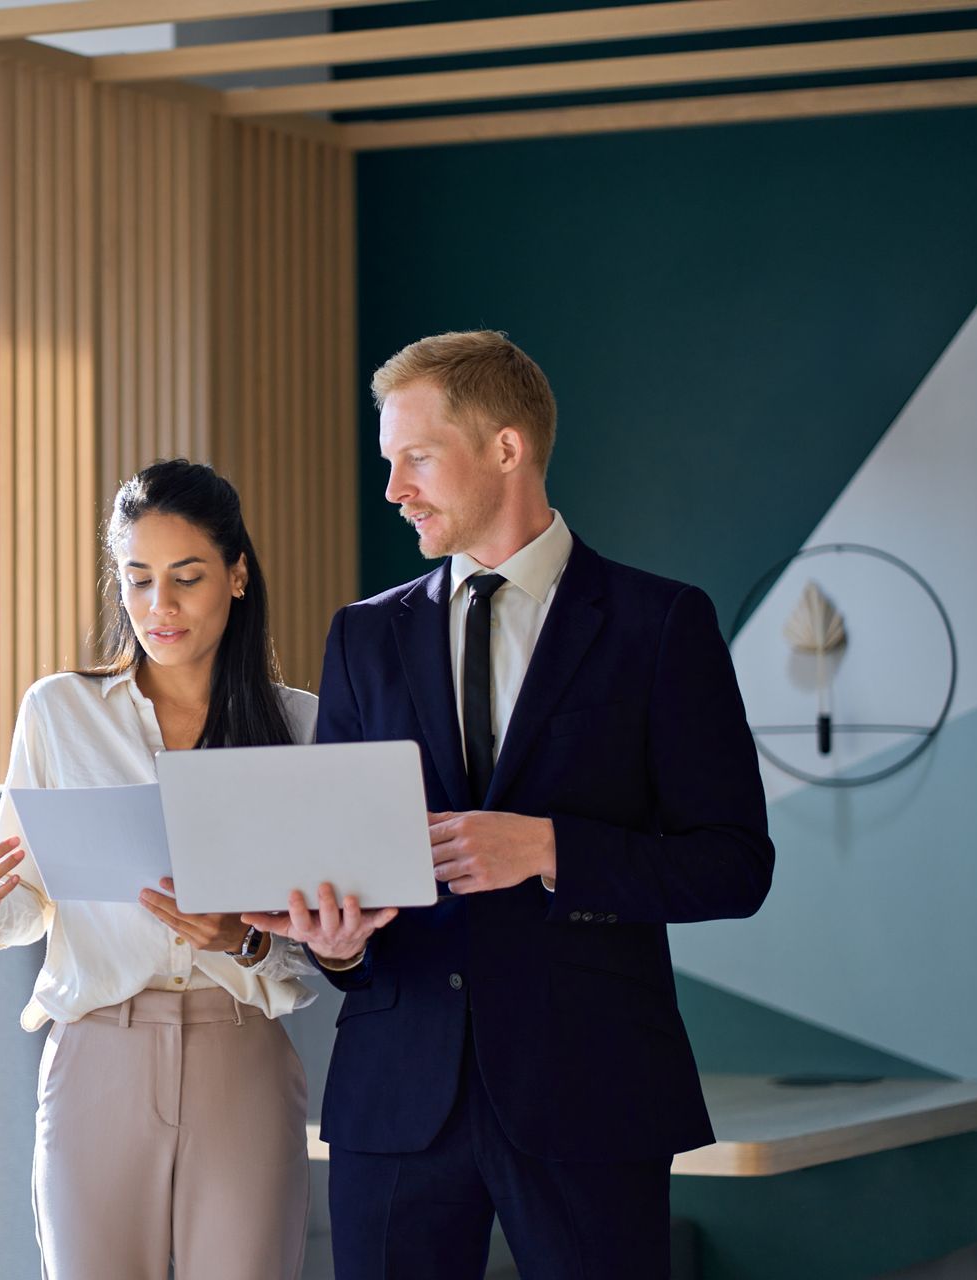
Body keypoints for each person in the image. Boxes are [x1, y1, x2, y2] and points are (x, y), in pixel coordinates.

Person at [246, 331, 774, 1278]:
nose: (393, 489)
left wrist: (548, 849)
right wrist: (339, 941)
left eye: (415, 457)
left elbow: (736, 863)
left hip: (591, 1089)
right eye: (388, 463)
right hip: (397, 1096)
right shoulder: (364, 637)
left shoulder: (660, 625)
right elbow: (344, 868)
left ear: (505, 447)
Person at [0, 458, 318, 1280]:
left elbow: (321, 945)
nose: (162, 606)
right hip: (97, 1060)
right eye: (139, 578)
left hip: (243, 1060)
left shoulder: (302, 726)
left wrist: (246, 939)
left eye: (186, 578)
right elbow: (21, 910)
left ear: (237, 574)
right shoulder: (59, 711)